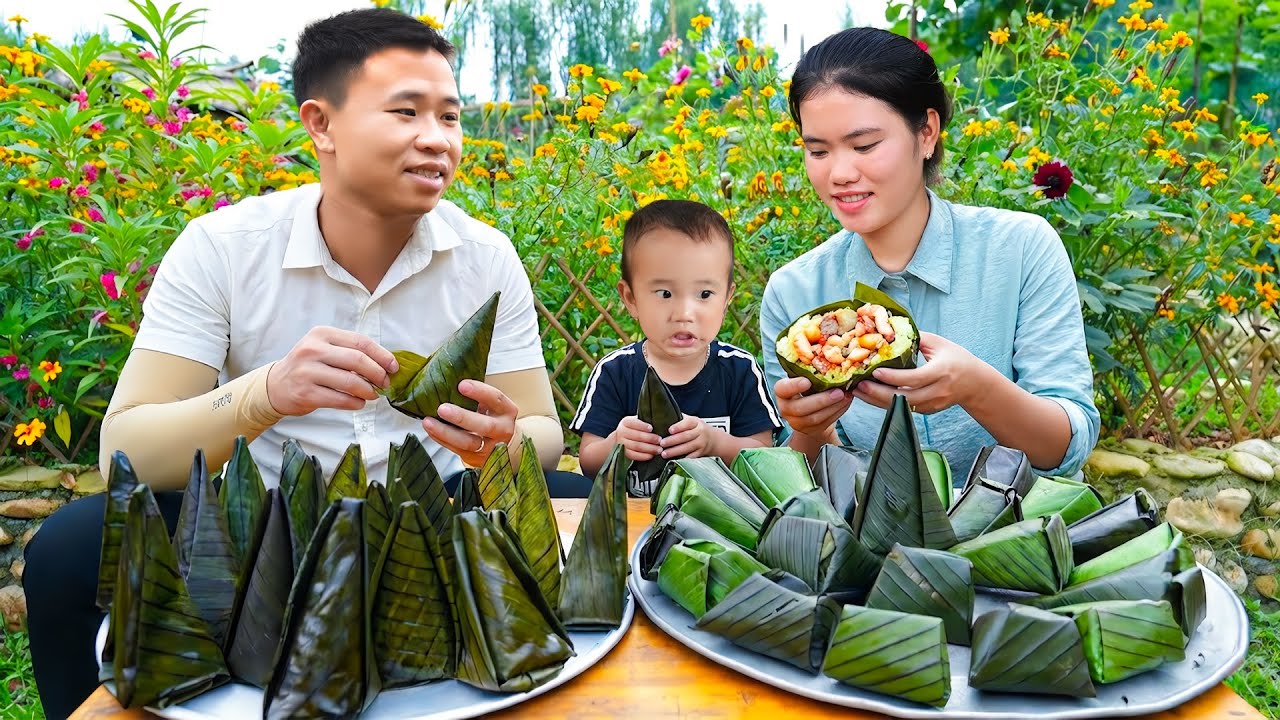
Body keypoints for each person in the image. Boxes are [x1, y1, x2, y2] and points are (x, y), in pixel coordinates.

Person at [23, 10, 585, 717]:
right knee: (67, 548)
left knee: (580, 493)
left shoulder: (485, 257)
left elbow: (542, 431)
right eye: (406, 111)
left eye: (450, 116)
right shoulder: (224, 249)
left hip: (428, 518)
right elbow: (124, 450)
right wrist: (266, 394)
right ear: (321, 125)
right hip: (264, 530)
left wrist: (500, 442)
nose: (437, 139)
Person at [761, 27, 1100, 479]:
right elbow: (797, 473)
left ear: (926, 133)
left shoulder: (1021, 248)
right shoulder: (793, 291)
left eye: (864, 146)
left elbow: (1068, 446)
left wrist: (975, 389)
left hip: (1016, 536)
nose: (839, 173)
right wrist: (810, 428)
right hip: (872, 542)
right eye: (817, 150)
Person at [572, 199, 782, 479]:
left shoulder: (740, 370)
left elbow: (764, 457)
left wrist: (715, 443)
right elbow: (588, 461)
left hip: (718, 521)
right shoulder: (615, 372)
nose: (684, 314)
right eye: (665, 294)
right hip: (636, 520)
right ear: (631, 298)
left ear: (727, 298)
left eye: (705, 295)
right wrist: (615, 445)